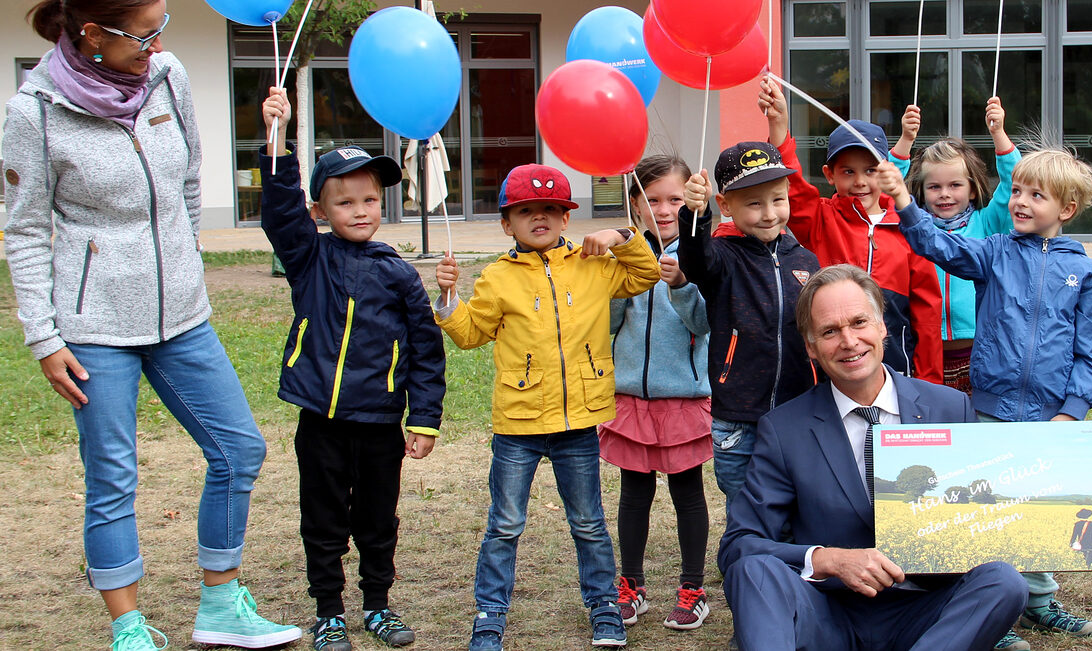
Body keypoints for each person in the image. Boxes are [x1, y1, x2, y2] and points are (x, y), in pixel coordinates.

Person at [3, 2, 300, 649]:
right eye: (143, 33)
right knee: (113, 472)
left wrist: (183, 258)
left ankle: (221, 602)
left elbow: (190, 178)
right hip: (94, 325)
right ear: (92, 35)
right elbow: (24, 231)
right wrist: (44, 337)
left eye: (161, 26)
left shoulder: (168, 77)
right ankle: (128, 626)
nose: (157, 43)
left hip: (182, 317)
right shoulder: (35, 111)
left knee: (238, 448)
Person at [718, 264, 1028, 650]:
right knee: (753, 569)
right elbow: (738, 545)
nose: (849, 341)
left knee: (1004, 581)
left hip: (927, 613)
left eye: (859, 322)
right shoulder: (784, 430)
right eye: (830, 331)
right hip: (826, 614)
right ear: (811, 347)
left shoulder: (951, 408)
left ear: (882, 326)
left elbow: (989, 517)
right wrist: (829, 560)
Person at [882, 148, 1092, 651]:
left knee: (1040, 508)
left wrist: (1074, 409)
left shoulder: (1085, 271)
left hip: (1051, 417)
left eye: (1035, 195)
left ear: (1066, 209)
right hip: (992, 407)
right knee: (991, 510)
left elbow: (1090, 347)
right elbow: (941, 248)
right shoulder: (994, 250)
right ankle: (993, 609)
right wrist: (904, 202)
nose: (1020, 202)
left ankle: (1040, 601)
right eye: (1019, 192)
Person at [433, 164, 660, 650]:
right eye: (526, 211)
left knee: (588, 523)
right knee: (505, 524)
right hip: (518, 424)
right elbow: (471, 334)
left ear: (565, 217)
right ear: (506, 223)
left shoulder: (593, 263)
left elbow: (646, 273)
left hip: (578, 422)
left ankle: (604, 610)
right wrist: (449, 298)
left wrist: (621, 233)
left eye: (551, 210)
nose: (540, 218)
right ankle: (490, 615)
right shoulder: (497, 277)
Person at [260, 88, 446, 650]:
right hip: (320, 419)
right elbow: (279, 210)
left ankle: (378, 606)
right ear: (321, 211)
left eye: (369, 200)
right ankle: (329, 612)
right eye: (345, 203)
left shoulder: (398, 274)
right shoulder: (307, 256)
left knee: (376, 519)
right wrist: (278, 140)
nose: (360, 211)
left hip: (379, 421)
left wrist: (424, 419)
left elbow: (424, 350)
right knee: (322, 518)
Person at [760, 78, 944, 384]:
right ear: (829, 175)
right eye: (848, 171)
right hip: (827, 373)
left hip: (896, 372)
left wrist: (929, 383)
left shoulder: (911, 228)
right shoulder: (821, 217)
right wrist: (778, 125)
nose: (860, 182)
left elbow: (927, 316)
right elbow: (791, 186)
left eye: (870, 170)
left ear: (887, 170)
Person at [602, 155, 714, 631]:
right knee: (634, 494)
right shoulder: (625, 255)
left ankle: (693, 588)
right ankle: (631, 585)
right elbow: (607, 326)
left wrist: (683, 284)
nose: (664, 209)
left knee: (688, 493)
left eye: (674, 198)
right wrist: (611, 288)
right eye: (652, 200)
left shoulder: (703, 251)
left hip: (684, 396)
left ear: (689, 200)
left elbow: (705, 323)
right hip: (631, 397)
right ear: (635, 204)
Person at [676, 141, 820, 501]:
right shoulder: (722, 257)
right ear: (725, 205)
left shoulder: (805, 260)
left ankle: (787, 559)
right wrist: (695, 215)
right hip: (738, 418)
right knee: (744, 508)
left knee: (794, 504)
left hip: (797, 410)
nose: (769, 214)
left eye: (777, 199)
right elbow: (695, 260)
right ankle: (746, 557)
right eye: (754, 203)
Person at [889, 97, 1021, 396]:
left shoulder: (989, 224)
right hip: (927, 354)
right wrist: (905, 141)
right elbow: (886, 186)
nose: (944, 194)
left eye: (955, 185)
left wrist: (998, 133)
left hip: (979, 351)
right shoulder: (911, 229)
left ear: (973, 189)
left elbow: (1015, 178)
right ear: (920, 191)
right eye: (934, 187)